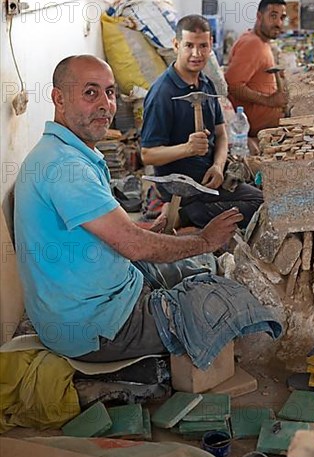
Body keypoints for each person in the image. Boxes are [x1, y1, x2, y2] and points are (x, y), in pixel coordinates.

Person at [14, 55, 281, 365]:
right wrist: (206, 240)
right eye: (90, 92)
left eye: (110, 92)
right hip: (94, 327)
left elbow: (104, 231)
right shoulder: (65, 167)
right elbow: (135, 247)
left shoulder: (64, 150)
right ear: (58, 98)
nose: (106, 104)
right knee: (225, 299)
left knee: (200, 267)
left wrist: (140, 230)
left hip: (98, 294)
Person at [140, 15, 263, 230]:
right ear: (176, 45)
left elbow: (222, 134)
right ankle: (184, 214)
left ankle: (187, 215)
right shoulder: (162, 93)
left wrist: (217, 166)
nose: (196, 54)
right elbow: (148, 155)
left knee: (262, 196)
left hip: (209, 179)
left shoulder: (206, 84)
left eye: (203, 46)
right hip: (180, 186)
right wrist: (187, 149)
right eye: (189, 46)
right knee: (258, 204)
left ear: (210, 46)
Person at [225, 0, 288, 137]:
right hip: (256, 129)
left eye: (282, 18)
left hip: (271, 120)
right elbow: (232, 86)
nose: (278, 23)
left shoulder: (261, 41)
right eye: (273, 16)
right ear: (259, 16)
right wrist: (269, 101)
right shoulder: (253, 44)